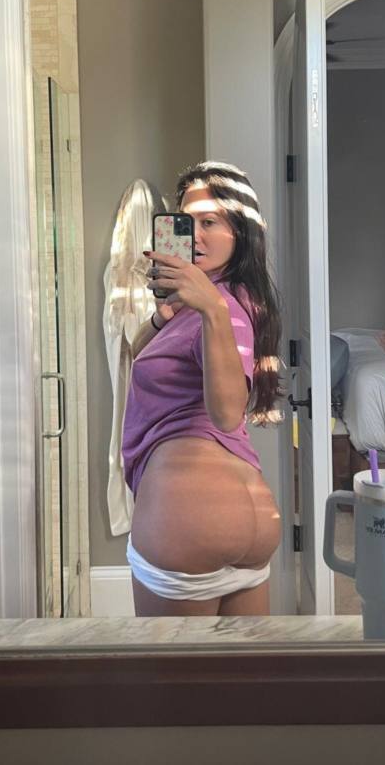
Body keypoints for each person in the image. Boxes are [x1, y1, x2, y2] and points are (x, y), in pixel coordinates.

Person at [121, 160, 284, 616]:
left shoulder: (221, 307)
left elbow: (228, 412)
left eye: (209, 222)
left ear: (241, 232)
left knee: (175, 667)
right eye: (185, 222)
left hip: (187, 520)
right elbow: (137, 353)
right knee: (241, 666)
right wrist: (167, 311)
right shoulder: (214, 301)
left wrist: (210, 307)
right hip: (250, 522)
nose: (195, 235)